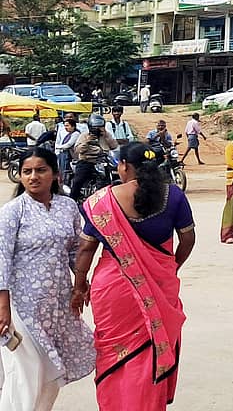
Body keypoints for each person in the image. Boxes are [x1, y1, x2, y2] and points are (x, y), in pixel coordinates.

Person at [73, 142, 195, 410]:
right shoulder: (173, 196)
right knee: (152, 347)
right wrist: (168, 267)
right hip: (160, 286)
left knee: (114, 355)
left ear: (125, 166)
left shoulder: (102, 200)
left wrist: (79, 286)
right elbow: (187, 239)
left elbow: (85, 248)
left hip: (112, 291)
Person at [0, 147, 94, 409]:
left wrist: (80, 285)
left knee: (51, 371)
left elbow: (77, 250)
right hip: (21, 306)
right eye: (27, 171)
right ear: (19, 176)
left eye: (41, 170)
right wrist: (3, 307)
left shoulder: (68, 206)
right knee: (23, 372)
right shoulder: (13, 211)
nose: (33, 177)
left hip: (57, 304)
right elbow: (1, 259)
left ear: (56, 174)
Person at [71, 114, 118, 202]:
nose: (97, 130)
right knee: (78, 181)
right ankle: (72, 200)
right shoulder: (84, 136)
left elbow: (114, 146)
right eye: (95, 128)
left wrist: (106, 135)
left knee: (113, 178)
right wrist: (87, 141)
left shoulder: (106, 135)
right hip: (87, 161)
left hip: (103, 161)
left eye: (99, 127)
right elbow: (78, 150)